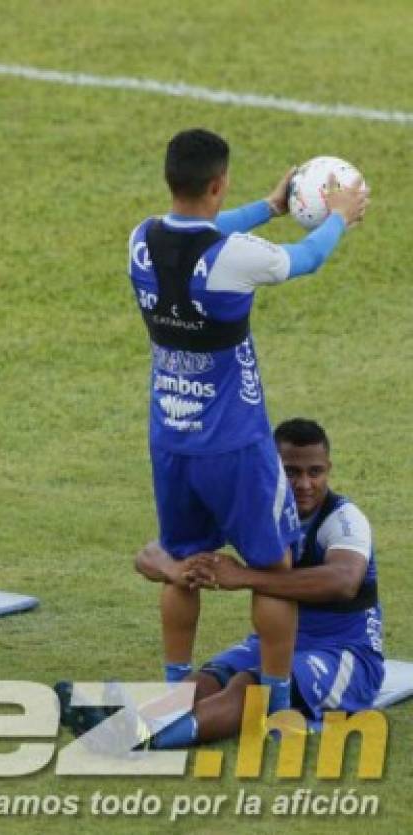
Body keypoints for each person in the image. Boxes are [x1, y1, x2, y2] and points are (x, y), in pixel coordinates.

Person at [126, 128, 368, 723]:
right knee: (275, 567)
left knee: (182, 567)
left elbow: (202, 239)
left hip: (170, 438)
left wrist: (268, 207)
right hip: (234, 445)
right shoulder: (237, 259)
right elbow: (305, 259)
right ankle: (281, 706)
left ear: (170, 179)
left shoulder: (141, 241)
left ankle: (175, 690)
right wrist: (337, 216)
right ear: (218, 183)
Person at [59, 419, 382, 748]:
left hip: (345, 654)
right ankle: (127, 726)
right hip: (274, 643)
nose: (304, 484)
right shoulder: (255, 511)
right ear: (270, 469)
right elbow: (149, 555)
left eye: (315, 472)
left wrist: (243, 577)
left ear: (328, 469)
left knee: (248, 686)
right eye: (291, 472)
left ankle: (146, 741)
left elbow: (344, 581)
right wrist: (175, 569)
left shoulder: (343, 519)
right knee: (206, 680)